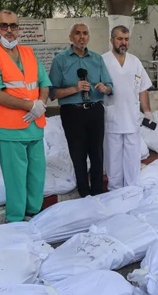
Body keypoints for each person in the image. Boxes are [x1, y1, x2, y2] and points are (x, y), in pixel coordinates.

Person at [0, 9, 51, 222]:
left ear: (19, 28)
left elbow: (44, 83)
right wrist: (30, 105)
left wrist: (40, 104)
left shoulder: (28, 53)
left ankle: (33, 212)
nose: (9, 30)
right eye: (4, 25)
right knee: (16, 178)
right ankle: (16, 219)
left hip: (34, 126)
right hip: (9, 130)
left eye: (13, 26)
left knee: (36, 174)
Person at [49, 23, 114, 197]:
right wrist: (74, 89)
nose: (81, 37)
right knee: (78, 155)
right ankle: (84, 193)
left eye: (85, 33)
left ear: (88, 37)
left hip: (95, 110)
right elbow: (52, 92)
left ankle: (98, 192)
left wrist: (104, 88)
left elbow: (110, 86)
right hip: (72, 112)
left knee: (97, 153)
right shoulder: (60, 60)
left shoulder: (97, 59)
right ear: (71, 37)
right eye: (77, 33)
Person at [102, 26, 153, 190]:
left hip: (132, 118)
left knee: (132, 158)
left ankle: (132, 190)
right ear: (111, 41)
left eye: (126, 39)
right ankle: (114, 191)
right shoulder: (103, 60)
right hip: (112, 117)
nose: (123, 43)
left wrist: (147, 112)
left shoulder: (135, 61)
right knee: (113, 159)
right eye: (119, 39)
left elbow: (143, 88)